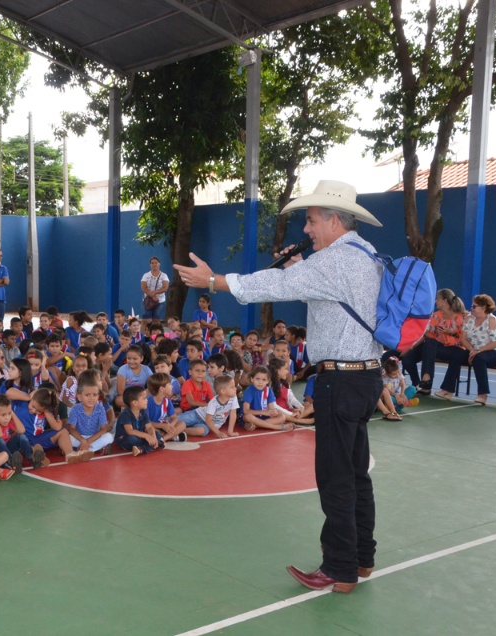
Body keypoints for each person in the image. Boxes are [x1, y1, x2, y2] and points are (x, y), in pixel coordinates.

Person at [175, 179, 385, 594]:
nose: (306, 229)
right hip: (366, 376)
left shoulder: (334, 261)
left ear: (334, 220)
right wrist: (298, 270)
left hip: (340, 381)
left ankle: (339, 568)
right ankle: (362, 559)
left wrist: (213, 280)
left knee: (336, 477)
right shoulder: (366, 254)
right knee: (356, 473)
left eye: (311, 220)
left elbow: (268, 286)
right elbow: (329, 300)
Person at [435, 294, 496, 405]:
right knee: (457, 354)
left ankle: (482, 394)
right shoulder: (469, 319)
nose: (471, 308)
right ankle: (447, 390)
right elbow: (463, 339)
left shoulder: (491, 320)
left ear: (483, 308)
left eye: (474, 306)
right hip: (474, 351)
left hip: (495, 352)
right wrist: (472, 350)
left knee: (479, 358)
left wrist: (478, 351)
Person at [400, 288, 465, 394]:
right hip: (435, 347)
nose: (435, 301)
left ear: (444, 301)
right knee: (408, 357)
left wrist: (452, 333)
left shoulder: (462, 317)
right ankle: (418, 383)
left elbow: (465, 338)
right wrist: (412, 346)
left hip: (454, 349)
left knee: (430, 344)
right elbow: (430, 335)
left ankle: (426, 381)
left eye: (437, 299)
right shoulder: (436, 316)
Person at [141, 256, 169, 322]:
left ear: (159, 264)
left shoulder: (164, 275)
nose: (154, 264)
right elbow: (143, 287)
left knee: (156, 317)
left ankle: (156, 329)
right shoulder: (146, 275)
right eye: (152, 263)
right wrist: (152, 295)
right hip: (148, 300)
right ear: (150, 264)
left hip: (160, 300)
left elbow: (165, 288)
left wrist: (155, 292)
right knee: (146, 319)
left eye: (156, 263)